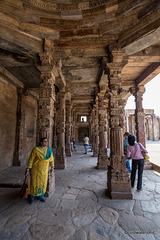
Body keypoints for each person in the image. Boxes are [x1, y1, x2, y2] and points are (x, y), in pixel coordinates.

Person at [25, 137, 54, 204]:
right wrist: (28, 169)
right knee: (34, 183)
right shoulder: (36, 150)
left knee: (42, 182)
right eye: (44, 141)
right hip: (36, 170)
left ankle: (40, 196)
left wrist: (52, 167)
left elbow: (51, 159)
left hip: (44, 170)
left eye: (47, 141)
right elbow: (31, 160)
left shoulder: (49, 150)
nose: (46, 143)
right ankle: (31, 196)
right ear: (41, 142)